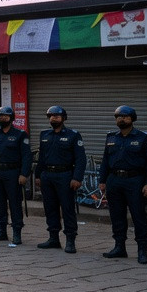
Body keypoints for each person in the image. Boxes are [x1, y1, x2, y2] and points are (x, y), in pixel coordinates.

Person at [99, 105, 147, 264]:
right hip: (114, 180)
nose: (121, 119)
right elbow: (105, 160)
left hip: (135, 181)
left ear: (132, 119)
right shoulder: (111, 137)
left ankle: (142, 250)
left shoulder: (143, 138)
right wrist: (102, 180)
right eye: (118, 117)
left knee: (138, 216)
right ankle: (119, 247)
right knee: (116, 215)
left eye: (125, 117)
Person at [33, 106, 86, 254]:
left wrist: (77, 178)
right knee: (50, 208)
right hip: (47, 176)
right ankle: (53, 238)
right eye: (51, 116)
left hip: (65, 176)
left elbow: (80, 159)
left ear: (63, 118)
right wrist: (38, 175)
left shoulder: (73, 135)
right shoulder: (44, 135)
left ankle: (70, 240)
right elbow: (41, 158)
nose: (53, 118)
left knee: (68, 208)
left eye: (56, 116)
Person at [0, 106, 31, 245]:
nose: (2, 118)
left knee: (15, 203)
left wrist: (24, 174)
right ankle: (1, 231)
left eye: (5, 116)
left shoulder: (20, 134)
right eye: (0, 116)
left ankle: (17, 232)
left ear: (11, 118)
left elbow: (26, 156)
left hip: (13, 173)